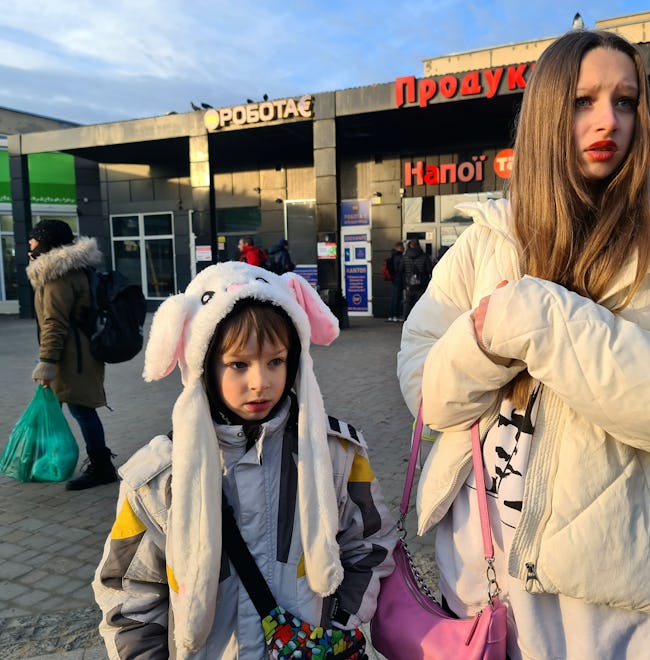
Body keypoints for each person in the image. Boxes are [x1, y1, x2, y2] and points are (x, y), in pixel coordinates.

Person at [397, 29, 650, 659]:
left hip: (603, 582)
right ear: (543, 114)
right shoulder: (489, 238)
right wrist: (485, 340)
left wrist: (543, 319)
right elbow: (427, 396)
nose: (608, 121)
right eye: (582, 101)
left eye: (625, 102)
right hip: (478, 559)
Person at [93, 262, 396, 657]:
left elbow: (370, 545)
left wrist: (339, 623)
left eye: (275, 361)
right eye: (238, 364)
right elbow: (130, 591)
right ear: (202, 363)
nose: (260, 382)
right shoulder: (157, 478)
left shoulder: (336, 455)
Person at [26, 219, 119, 491]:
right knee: (55, 407)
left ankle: (101, 467)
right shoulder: (66, 270)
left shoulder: (57, 275)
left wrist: (47, 362)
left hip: (71, 358)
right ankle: (49, 460)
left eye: (32, 245)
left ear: (46, 244)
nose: (28, 250)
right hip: (73, 354)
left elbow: (54, 322)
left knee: (81, 409)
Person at [401, 238, 431, 319]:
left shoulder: (405, 257)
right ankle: (418, 320)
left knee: (407, 303)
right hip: (421, 284)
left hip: (409, 284)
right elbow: (429, 270)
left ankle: (406, 320)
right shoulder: (424, 256)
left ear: (410, 245)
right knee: (420, 304)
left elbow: (400, 270)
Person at [387, 240, 405, 322]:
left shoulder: (393, 255)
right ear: (399, 247)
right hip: (398, 279)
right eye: (403, 247)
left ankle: (392, 315)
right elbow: (400, 269)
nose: (404, 248)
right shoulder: (399, 257)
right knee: (397, 298)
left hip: (394, 279)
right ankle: (395, 315)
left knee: (394, 297)